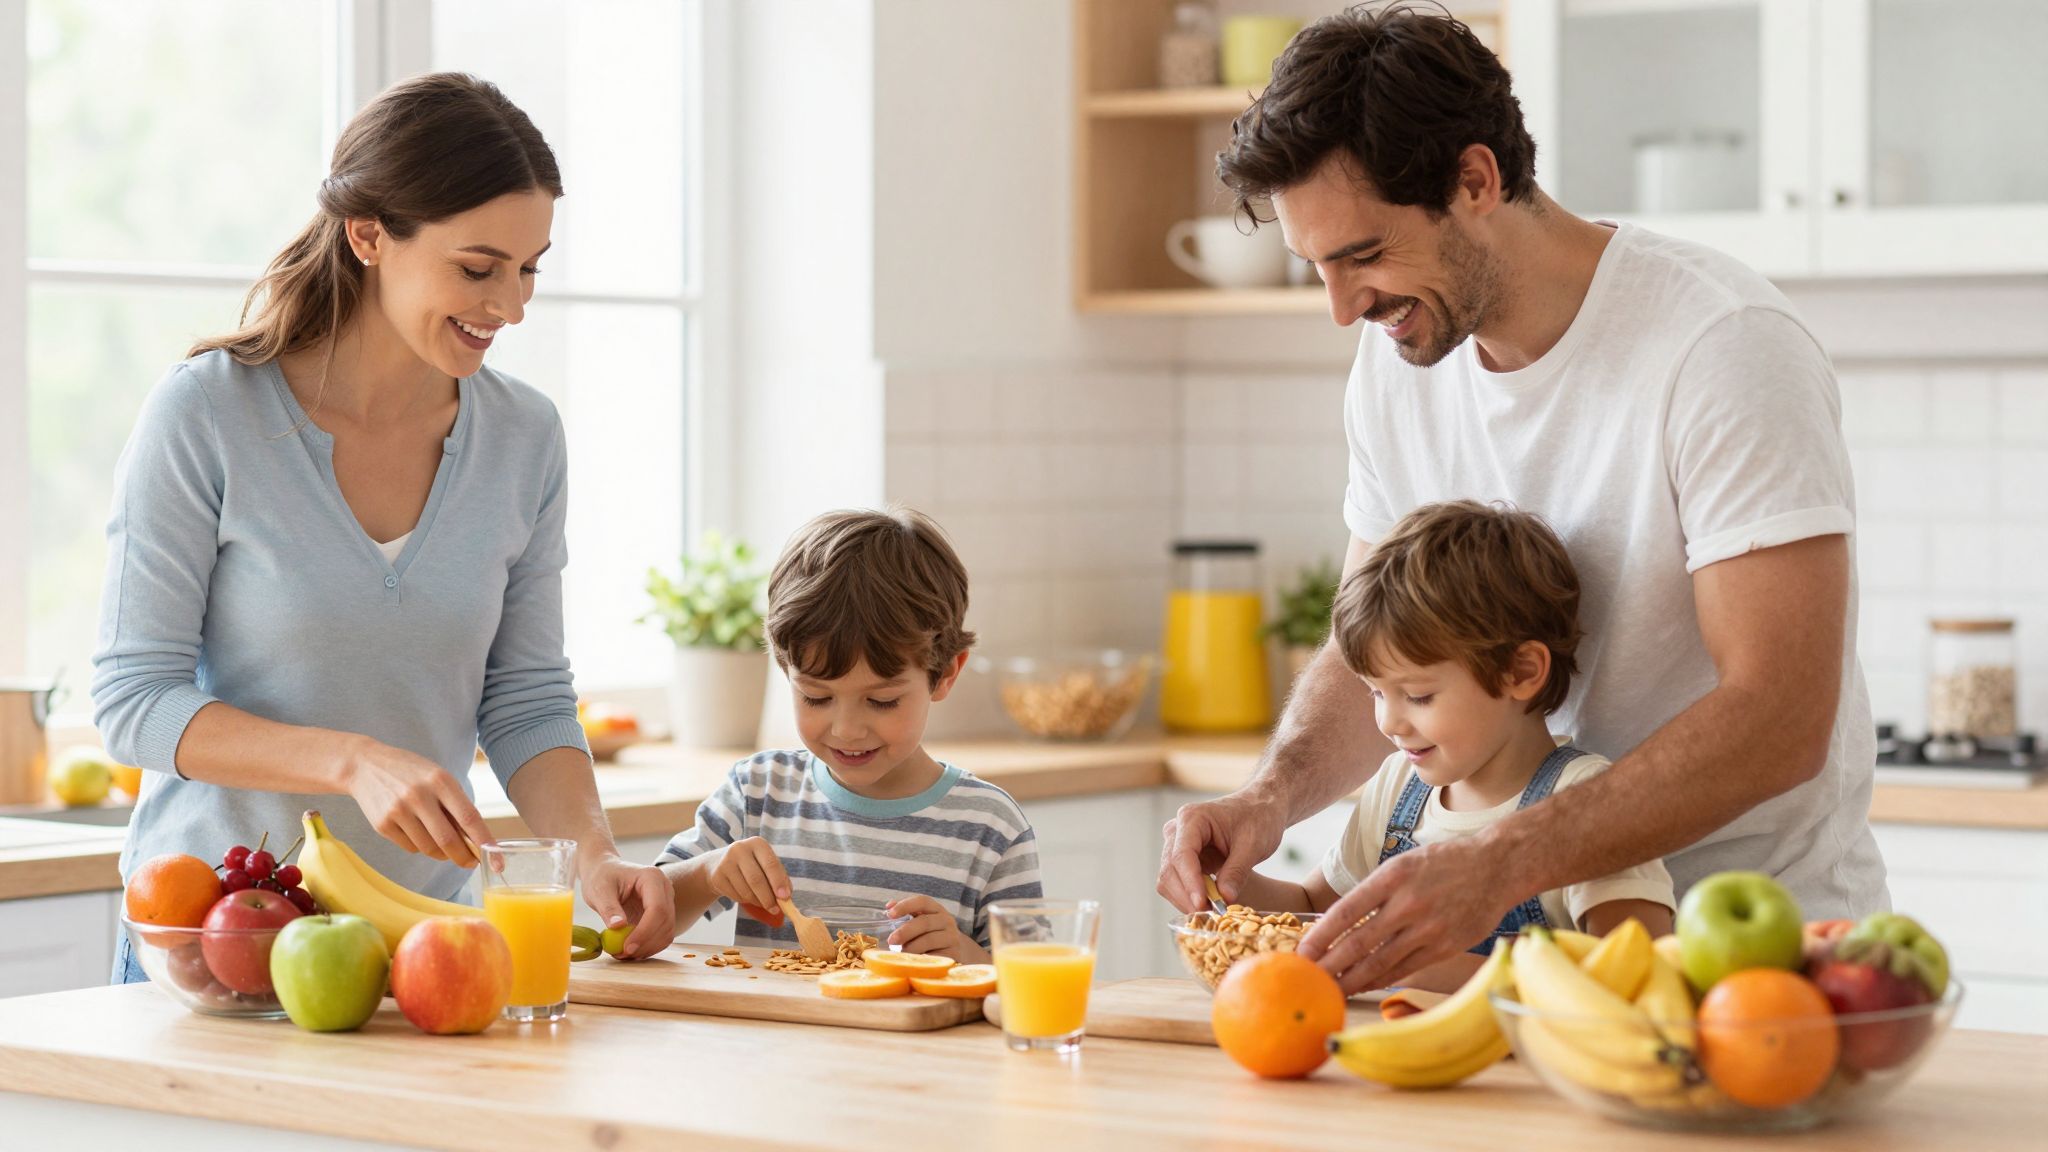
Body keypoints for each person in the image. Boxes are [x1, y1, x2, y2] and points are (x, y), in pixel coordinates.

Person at [1157, 4, 1886, 994]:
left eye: (1362, 255)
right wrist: (1270, 798)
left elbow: (1780, 716)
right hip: (1509, 971)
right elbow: (1372, 649)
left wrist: (1501, 861)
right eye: (1314, 267)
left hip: (1747, 959)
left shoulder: (1721, 346)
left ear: (1474, 180)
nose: (1341, 307)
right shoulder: (1396, 364)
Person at [94, 73, 676, 982]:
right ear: (368, 236)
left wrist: (592, 854)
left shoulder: (524, 437)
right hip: (213, 941)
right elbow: (134, 702)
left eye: (529, 268)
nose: (511, 306)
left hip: (426, 946)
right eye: (477, 268)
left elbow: (524, 696)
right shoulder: (207, 414)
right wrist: (351, 762)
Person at [1220, 501, 1673, 992]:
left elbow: (1636, 977)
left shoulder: (1588, 803)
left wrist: (1429, 970)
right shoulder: (1397, 786)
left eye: (1418, 696)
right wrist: (1227, 880)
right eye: (1376, 693)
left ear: (1521, 672)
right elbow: (1314, 911)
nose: (1389, 723)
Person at [655, 508, 1042, 965]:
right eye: (816, 697)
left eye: (882, 701)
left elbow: (1034, 981)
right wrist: (707, 873)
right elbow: (649, 913)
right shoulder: (758, 793)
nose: (847, 730)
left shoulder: (989, 826)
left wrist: (967, 956)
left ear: (944, 675)